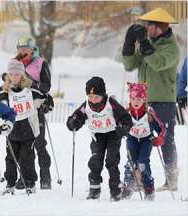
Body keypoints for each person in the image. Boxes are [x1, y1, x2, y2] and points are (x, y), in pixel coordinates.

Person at [122, 8, 180, 191]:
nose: (146, 28)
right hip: (143, 102)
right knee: (137, 138)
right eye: (146, 24)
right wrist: (129, 44)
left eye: (150, 25)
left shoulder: (172, 48)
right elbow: (130, 65)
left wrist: (144, 43)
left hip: (164, 101)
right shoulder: (146, 44)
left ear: (160, 27)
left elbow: (157, 63)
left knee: (166, 140)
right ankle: (137, 178)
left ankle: (171, 179)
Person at [66, 77, 133, 201]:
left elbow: (126, 118)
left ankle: (116, 190)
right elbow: (78, 116)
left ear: (103, 95)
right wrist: (73, 122)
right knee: (95, 161)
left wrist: (124, 127)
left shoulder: (111, 103)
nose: (93, 100)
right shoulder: (86, 105)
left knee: (111, 162)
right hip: (97, 136)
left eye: (96, 97)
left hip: (113, 134)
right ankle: (94, 189)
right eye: (90, 97)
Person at [0, 59, 47, 194]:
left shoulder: (30, 88)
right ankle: (10, 184)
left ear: (22, 75)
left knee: (27, 157)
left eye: (17, 74)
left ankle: (29, 183)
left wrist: (45, 105)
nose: (14, 77)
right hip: (12, 130)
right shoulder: (4, 91)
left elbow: (44, 97)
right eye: (11, 74)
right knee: (10, 158)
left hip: (29, 129)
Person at [14, 36, 53, 190]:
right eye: (20, 48)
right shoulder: (14, 63)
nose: (22, 51)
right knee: (22, 145)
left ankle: (45, 177)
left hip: (36, 107)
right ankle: (24, 177)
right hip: (20, 109)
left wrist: (31, 84)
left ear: (32, 49)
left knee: (39, 143)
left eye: (25, 48)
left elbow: (46, 86)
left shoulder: (40, 63)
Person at [122, 83, 166, 201]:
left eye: (139, 99)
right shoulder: (127, 112)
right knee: (131, 163)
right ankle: (128, 185)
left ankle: (148, 188)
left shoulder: (149, 112)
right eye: (133, 99)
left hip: (146, 140)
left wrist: (160, 138)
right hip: (132, 139)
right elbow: (119, 124)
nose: (136, 102)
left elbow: (161, 127)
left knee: (142, 163)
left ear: (144, 99)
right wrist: (120, 129)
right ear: (130, 99)